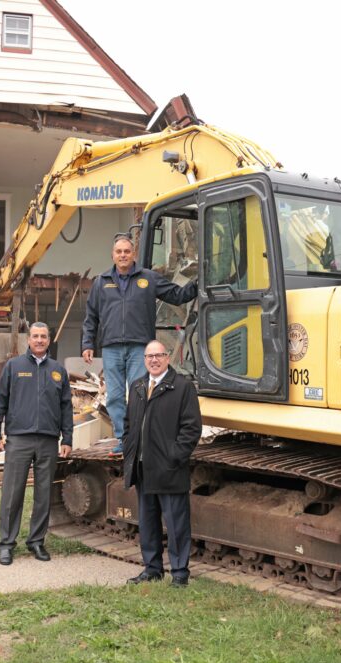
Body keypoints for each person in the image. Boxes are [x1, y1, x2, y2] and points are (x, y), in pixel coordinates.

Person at [82, 233, 197, 456]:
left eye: (127, 251)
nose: (123, 255)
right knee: (115, 396)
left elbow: (176, 295)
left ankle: (139, 437)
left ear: (133, 253)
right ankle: (123, 439)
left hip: (139, 347)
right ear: (113, 255)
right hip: (111, 347)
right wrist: (87, 343)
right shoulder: (101, 282)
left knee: (139, 394)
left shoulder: (149, 278)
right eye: (119, 252)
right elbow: (91, 316)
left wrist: (197, 285)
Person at [0, 322, 73, 565]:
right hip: (19, 440)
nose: (39, 340)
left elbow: (66, 407)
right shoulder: (14, 366)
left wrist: (67, 438)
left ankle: (37, 542)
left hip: (48, 441)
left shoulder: (58, 370)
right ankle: (6, 544)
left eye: (43, 337)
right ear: (28, 340)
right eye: (35, 336)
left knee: (43, 494)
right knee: (12, 494)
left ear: (49, 340)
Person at [121, 339, 202, 587]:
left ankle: (179, 573)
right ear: (144, 360)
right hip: (143, 468)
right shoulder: (137, 387)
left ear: (168, 358)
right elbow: (128, 425)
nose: (153, 360)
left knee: (176, 524)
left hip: (169, 469)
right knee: (147, 521)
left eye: (159, 355)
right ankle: (152, 568)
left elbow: (191, 429)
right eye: (149, 357)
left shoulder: (181, 387)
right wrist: (129, 449)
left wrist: (174, 456)